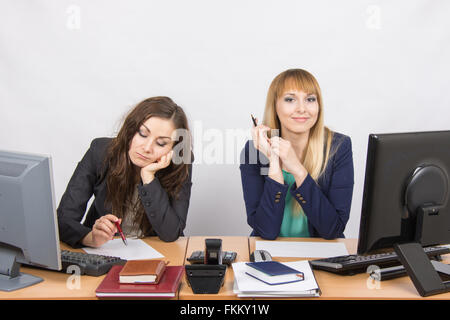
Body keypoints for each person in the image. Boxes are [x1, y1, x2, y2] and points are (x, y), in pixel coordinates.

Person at [57, 96, 193, 248]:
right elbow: (63, 220)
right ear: (131, 130)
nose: (147, 148)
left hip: (157, 254)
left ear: (173, 148)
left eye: (161, 143)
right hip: (105, 251)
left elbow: (171, 233)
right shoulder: (100, 152)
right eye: (142, 134)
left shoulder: (180, 163)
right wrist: (91, 238)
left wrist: (148, 178)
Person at [240, 69, 354, 240]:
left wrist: (298, 170)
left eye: (310, 99)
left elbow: (332, 230)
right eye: (290, 99)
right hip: (272, 255)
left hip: (322, 255)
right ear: (275, 106)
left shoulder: (338, 147)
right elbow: (266, 231)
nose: (302, 109)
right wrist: (274, 164)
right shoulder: (253, 151)